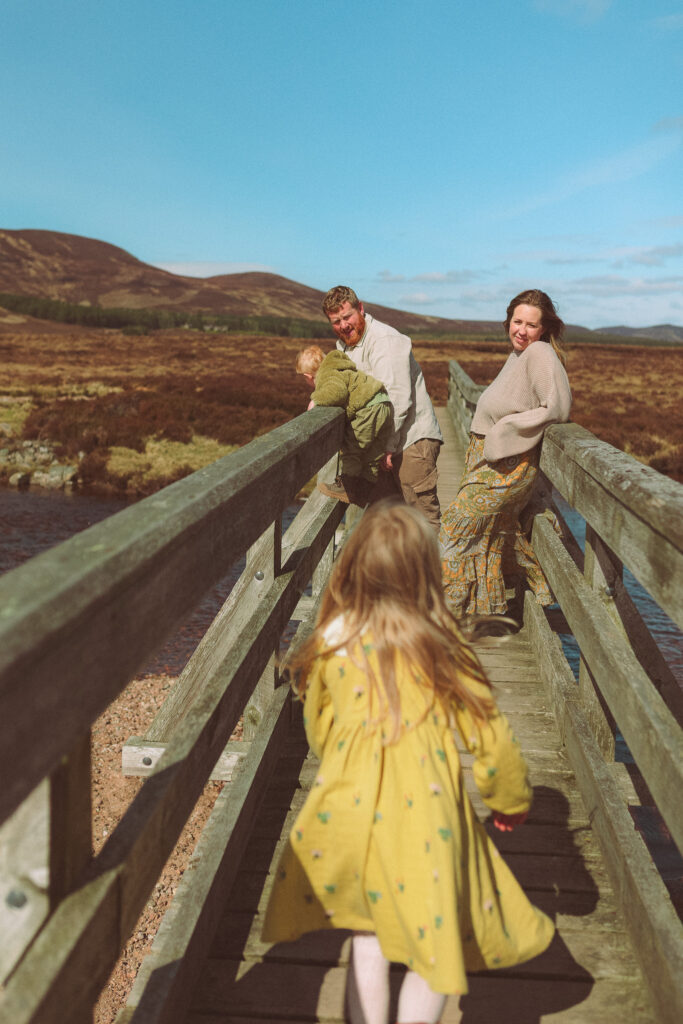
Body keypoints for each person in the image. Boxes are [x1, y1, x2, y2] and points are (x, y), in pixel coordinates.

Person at [262, 500, 554, 1024]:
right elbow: (492, 738)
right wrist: (508, 799)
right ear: (426, 574)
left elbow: (320, 725)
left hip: (350, 814)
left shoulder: (332, 641)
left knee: (366, 935)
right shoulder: (446, 649)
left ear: (352, 569)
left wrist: (343, 764)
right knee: (431, 946)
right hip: (427, 822)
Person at [440, 289, 572, 618]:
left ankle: (444, 616)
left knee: (452, 532)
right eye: (517, 321)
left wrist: (506, 430)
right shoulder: (519, 355)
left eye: (530, 324)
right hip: (488, 462)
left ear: (544, 329)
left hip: (506, 467)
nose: (521, 330)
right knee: (478, 536)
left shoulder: (539, 353)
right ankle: (478, 612)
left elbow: (557, 407)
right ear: (508, 321)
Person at [322, 285, 443, 531]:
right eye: (336, 321)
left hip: (411, 441)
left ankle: (432, 569)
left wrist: (387, 446)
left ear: (361, 309)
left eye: (347, 317)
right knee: (390, 521)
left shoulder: (386, 341)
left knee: (422, 521)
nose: (344, 325)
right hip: (385, 446)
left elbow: (397, 397)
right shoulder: (344, 347)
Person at [297, 344, 393, 507]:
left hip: (368, 409)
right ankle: (364, 491)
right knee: (373, 453)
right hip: (384, 404)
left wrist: (316, 400)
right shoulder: (340, 368)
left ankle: (347, 487)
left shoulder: (327, 375)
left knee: (351, 448)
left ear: (308, 376)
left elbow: (336, 393)